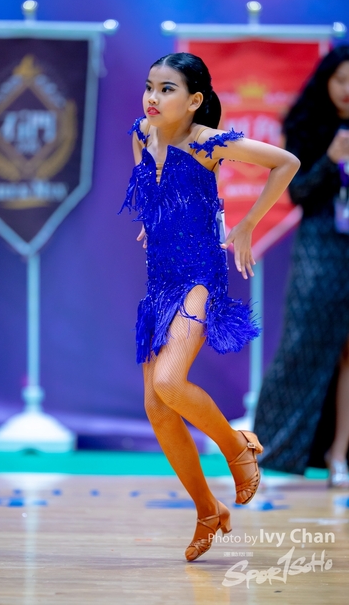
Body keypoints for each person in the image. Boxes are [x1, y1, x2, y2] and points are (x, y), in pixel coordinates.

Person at [120, 52, 300, 562]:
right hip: (160, 278)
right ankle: (206, 509)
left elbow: (287, 163)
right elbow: (148, 188)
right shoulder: (142, 133)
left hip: (200, 272)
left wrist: (247, 224)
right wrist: (151, 218)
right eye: (150, 86)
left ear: (195, 100)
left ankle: (236, 446)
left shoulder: (207, 142)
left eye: (167, 89)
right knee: (157, 409)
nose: (153, 97)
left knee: (169, 381)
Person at [254, 45, 349, 488]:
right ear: (326, 81)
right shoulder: (307, 125)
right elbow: (299, 193)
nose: (347, 90)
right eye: (341, 80)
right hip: (321, 245)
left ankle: (339, 455)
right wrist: (331, 159)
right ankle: (273, 452)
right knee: (302, 343)